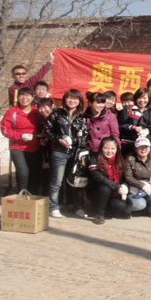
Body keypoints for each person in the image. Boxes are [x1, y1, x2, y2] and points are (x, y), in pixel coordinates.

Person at [44, 89, 88, 218]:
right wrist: (59, 139)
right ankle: (53, 207)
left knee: (74, 181)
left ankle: (76, 206)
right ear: (64, 99)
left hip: (75, 154)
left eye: (75, 98)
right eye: (69, 98)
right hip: (59, 152)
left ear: (79, 101)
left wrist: (75, 141)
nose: (72, 101)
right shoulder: (56, 114)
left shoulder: (81, 117)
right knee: (56, 181)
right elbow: (47, 131)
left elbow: (85, 136)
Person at [0, 87, 43, 193]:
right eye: (22, 95)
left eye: (27, 95)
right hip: (17, 147)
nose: (24, 98)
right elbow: (5, 129)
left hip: (35, 147)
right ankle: (22, 196)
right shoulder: (12, 112)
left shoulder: (36, 111)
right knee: (23, 172)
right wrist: (20, 136)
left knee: (34, 173)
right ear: (18, 97)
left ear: (32, 97)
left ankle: (33, 197)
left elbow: (44, 126)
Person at [87, 137, 131, 224]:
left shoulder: (119, 161)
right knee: (105, 188)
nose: (109, 151)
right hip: (97, 191)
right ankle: (99, 214)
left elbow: (124, 179)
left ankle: (107, 209)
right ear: (101, 148)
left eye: (113, 149)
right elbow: (99, 178)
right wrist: (117, 187)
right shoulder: (94, 159)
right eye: (106, 148)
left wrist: (124, 186)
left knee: (122, 208)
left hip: (114, 192)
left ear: (117, 149)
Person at [124, 137, 151, 217]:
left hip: (149, 188)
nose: (143, 149)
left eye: (146, 147)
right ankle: (127, 210)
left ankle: (150, 211)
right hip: (134, 189)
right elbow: (128, 177)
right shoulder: (130, 160)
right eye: (140, 147)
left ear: (150, 148)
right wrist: (142, 185)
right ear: (135, 148)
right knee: (140, 204)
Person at [118, 87, 151, 156]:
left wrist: (148, 130)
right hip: (128, 143)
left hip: (144, 145)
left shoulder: (150, 112)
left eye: (145, 98)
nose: (142, 100)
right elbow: (120, 125)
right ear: (136, 99)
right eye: (140, 98)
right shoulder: (129, 109)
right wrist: (132, 127)